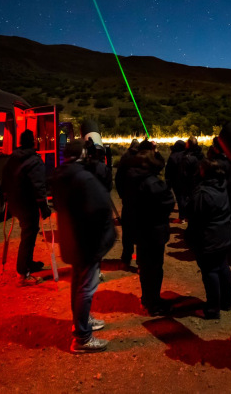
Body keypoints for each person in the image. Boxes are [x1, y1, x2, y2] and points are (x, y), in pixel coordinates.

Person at [50, 141, 116, 353]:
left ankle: (82, 321)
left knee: (78, 285)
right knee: (86, 289)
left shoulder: (60, 175)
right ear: (83, 154)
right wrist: (105, 238)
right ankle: (82, 338)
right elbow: (100, 209)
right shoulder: (84, 178)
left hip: (73, 240)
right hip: (87, 242)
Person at [122, 142, 176, 316]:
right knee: (154, 268)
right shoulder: (152, 184)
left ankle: (147, 298)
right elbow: (168, 203)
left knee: (145, 267)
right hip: (154, 231)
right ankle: (154, 303)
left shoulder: (131, 180)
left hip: (140, 230)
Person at [1, 129, 52, 285]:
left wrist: (6, 197)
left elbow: (4, 177)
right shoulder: (34, 161)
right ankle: (22, 273)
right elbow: (38, 186)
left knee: (29, 231)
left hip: (14, 202)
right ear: (34, 142)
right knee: (28, 234)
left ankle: (28, 263)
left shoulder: (12, 158)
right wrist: (44, 207)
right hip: (27, 203)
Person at [185, 158, 231, 319]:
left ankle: (213, 308)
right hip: (223, 235)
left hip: (208, 238)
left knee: (210, 271)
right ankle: (227, 302)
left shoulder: (203, 193)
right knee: (223, 267)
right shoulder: (222, 186)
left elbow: (194, 215)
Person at [115, 138, 140, 268]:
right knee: (141, 232)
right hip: (140, 201)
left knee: (128, 232)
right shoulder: (143, 159)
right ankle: (141, 262)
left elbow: (118, 178)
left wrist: (122, 194)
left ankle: (126, 258)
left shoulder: (125, 158)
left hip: (128, 200)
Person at [165, 139, 187, 219]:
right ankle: (186, 215)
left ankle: (182, 216)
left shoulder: (173, 156)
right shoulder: (186, 155)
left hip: (176, 180)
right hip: (186, 179)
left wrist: (168, 181)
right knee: (185, 197)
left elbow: (169, 169)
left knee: (180, 198)